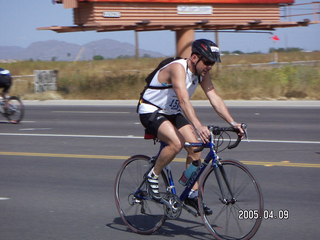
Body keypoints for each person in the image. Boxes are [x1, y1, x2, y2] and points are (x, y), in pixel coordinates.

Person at [138, 39, 244, 215]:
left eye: (213, 63)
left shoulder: (202, 73)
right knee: (176, 143)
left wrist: (232, 122)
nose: (210, 66)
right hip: (151, 110)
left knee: (195, 148)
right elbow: (183, 100)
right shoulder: (177, 68)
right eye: (208, 62)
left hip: (171, 112)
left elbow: (214, 98)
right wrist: (199, 125)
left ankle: (190, 193)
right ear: (194, 57)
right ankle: (153, 175)